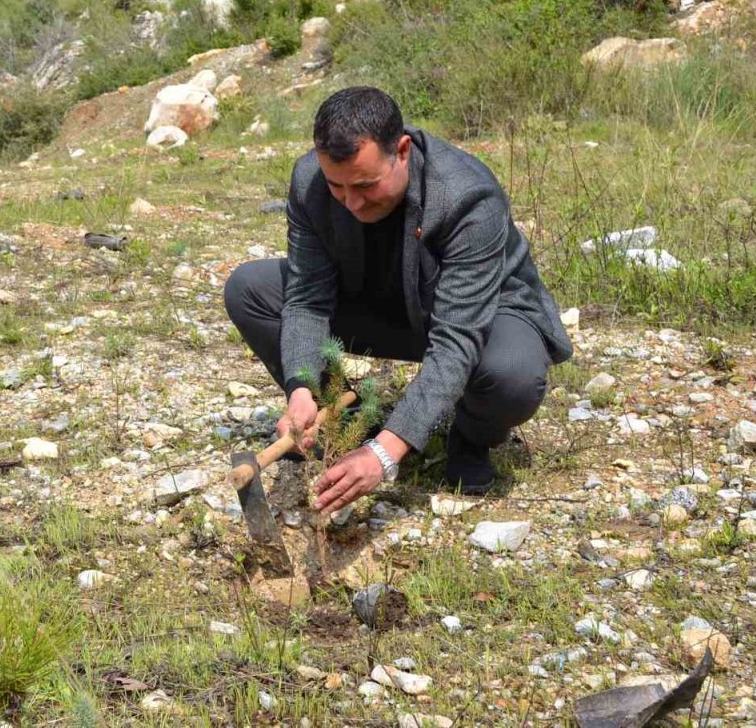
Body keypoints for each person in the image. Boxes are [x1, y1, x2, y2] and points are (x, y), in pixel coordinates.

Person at [224, 87, 573, 513]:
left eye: (366, 186)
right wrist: (302, 387)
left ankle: (468, 437)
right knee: (250, 289)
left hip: (479, 315)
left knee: (512, 375)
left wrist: (386, 454)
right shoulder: (309, 182)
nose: (351, 202)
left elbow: (457, 339)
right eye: (337, 186)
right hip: (384, 304)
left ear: (402, 151)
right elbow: (307, 299)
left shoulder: (467, 197)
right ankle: (346, 421)